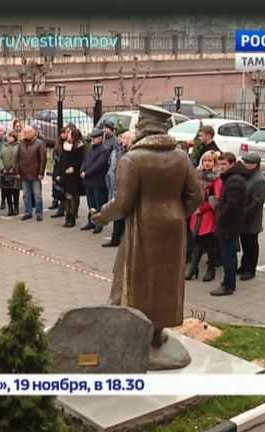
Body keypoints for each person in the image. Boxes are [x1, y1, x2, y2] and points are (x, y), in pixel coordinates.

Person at [92, 104, 202, 349]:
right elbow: (197, 195)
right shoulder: (181, 157)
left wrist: (102, 216)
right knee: (165, 281)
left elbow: (122, 203)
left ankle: (133, 331)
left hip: (143, 226)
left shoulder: (133, 159)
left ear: (143, 127)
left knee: (135, 278)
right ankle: (156, 333)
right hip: (173, 228)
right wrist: (178, 214)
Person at [211, 152, 248, 296]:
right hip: (230, 223)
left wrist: (219, 214)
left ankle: (228, 286)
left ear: (232, 163)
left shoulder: (234, 181)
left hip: (229, 224)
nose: (221, 167)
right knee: (229, 254)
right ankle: (228, 282)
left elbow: (232, 205)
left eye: (224, 164)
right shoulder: (231, 178)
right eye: (220, 164)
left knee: (228, 256)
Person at [185, 151, 223, 282]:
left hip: (208, 215)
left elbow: (217, 199)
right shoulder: (197, 176)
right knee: (196, 242)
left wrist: (202, 209)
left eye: (210, 161)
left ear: (214, 163)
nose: (207, 163)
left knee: (209, 244)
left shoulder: (217, 179)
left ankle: (210, 269)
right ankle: (193, 267)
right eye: (205, 160)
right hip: (196, 214)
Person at [80, 120, 115, 234]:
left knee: (98, 204)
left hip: (98, 181)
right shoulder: (90, 148)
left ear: (100, 138)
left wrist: (87, 173)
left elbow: (99, 165)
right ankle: (91, 221)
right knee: (91, 204)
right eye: (92, 137)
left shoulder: (104, 149)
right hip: (88, 181)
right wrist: (82, 170)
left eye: (95, 138)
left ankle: (99, 224)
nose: (93, 139)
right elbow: (85, 160)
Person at [238, 152, 265, 281]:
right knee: (245, 243)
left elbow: (256, 202)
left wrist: (243, 213)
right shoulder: (248, 176)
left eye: (247, 163)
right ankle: (244, 266)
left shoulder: (260, 180)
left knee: (251, 244)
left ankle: (251, 269)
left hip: (251, 218)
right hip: (244, 217)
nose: (245, 164)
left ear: (255, 164)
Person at [104, 131, 133, 247]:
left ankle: (124, 239)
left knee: (126, 216)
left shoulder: (132, 153)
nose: (121, 140)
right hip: (119, 186)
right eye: (122, 138)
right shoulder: (121, 151)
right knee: (118, 214)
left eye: (124, 138)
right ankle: (115, 238)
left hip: (127, 188)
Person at [55, 127, 85, 228]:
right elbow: (61, 161)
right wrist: (59, 174)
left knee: (71, 196)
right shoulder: (65, 145)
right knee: (65, 197)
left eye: (69, 133)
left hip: (74, 175)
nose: (67, 135)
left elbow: (80, 160)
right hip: (65, 174)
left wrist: (73, 167)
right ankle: (67, 217)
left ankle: (72, 217)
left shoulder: (79, 146)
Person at [16, 126, 47, 221]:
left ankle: (39, 213)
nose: (26, 134)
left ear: (33, 133)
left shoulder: (39, 143)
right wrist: (17, 171)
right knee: (26, 195)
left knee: (37, 195)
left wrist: (41, 172)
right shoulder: (21, 143)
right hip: (24, 173)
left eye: (28, 132)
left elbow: (43, 159)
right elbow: (17, 158)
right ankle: (28, 212)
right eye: (25, 132)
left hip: (35, 173)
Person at [49, 125, 71, 219]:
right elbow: (55, 155)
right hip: (58, 169)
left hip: (66, 170)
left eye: (65, 133)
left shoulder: (69, 144)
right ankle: (60, 209)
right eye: (62, 133)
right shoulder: (58, 143)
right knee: (59, 190)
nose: (63, 135)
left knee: (67, 192)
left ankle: (71, 212)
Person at [0, 130, 21, 216]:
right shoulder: (4, 145)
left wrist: (13, 168)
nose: (8, 138)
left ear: (14, 137)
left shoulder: (18, 146)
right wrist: (2, 168)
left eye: (10, 137)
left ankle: (16, 207)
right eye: (8, 137)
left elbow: (19, 158)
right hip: (5, 171)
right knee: (7, 190)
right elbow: (0, 157)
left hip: (14, 172)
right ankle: (10, 208)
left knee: (15, 191)